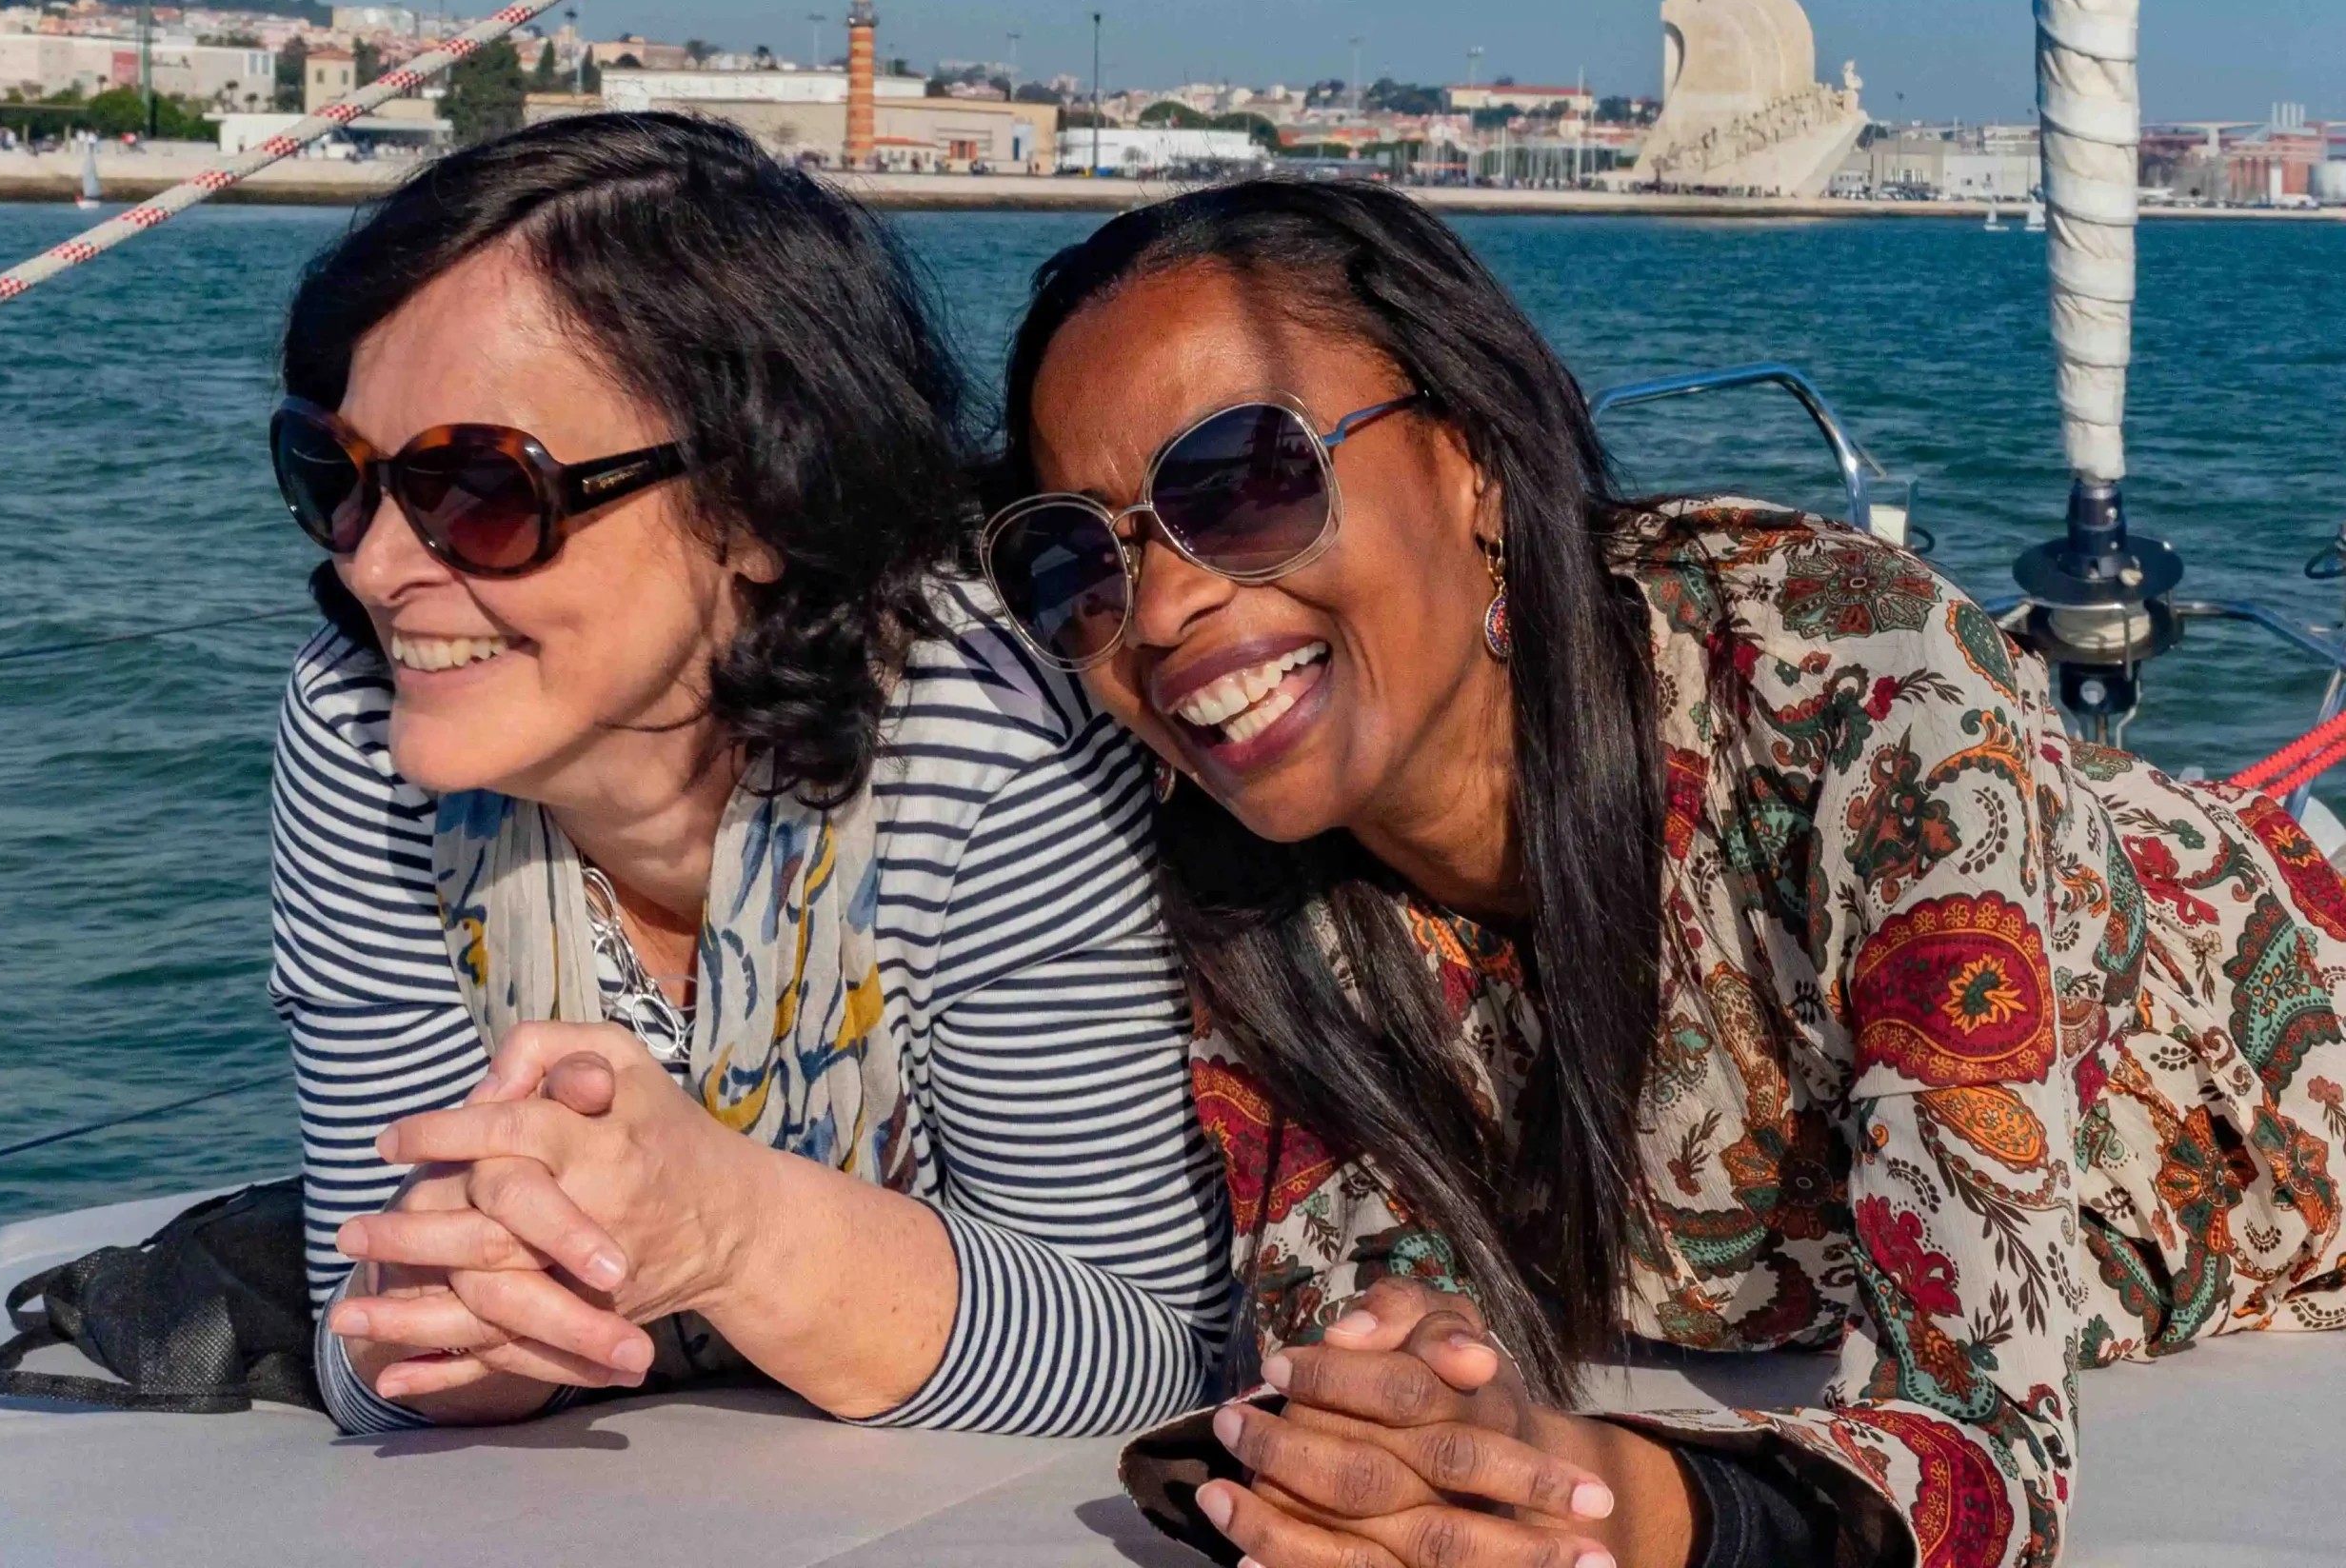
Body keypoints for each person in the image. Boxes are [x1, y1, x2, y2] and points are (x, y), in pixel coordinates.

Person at [984, 178, 2346, 1568]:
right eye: (1073, 562)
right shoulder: (1240, 894)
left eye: (1240, 482)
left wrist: (1612, 1510)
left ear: (1474, 462)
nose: (1155, 611)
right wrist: (1417, 1431)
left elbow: (1984, 1438)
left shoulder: (1851, 684)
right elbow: (1375, 1324)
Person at [268, 111, 1226, 1434]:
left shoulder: (991, 734)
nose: (375, 566)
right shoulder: (361, 728)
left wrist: (728, 1230)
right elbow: (361, 1329)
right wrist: (444, 1323)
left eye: (481, 489)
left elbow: (1150, 1345)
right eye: (343, 479)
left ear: (762, 505)